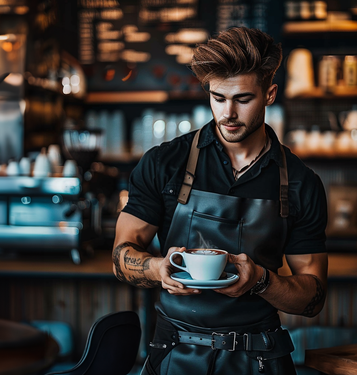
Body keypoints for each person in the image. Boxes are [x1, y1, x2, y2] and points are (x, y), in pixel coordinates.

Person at [112, 27, 328, 375]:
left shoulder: (302, 183)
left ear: (269, 94)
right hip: (174, 355)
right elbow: (121, 254)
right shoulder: (164, 164)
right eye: (218, 98)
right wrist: (157, 269)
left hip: (259, 360)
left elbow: (313, 297)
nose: (228, 113)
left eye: (243, 99)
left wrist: (261, 280)